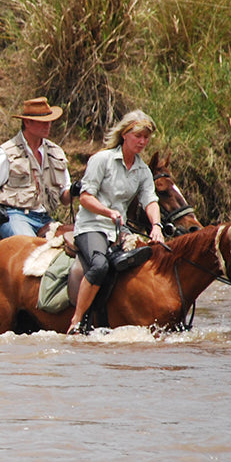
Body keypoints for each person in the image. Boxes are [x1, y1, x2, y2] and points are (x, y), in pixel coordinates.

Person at [67, 110, 166, 333]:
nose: (142, 142)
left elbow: (150, 200)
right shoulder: (102, 160)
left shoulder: (142, 171)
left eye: (146, 138)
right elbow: (84, 197)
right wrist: (108, 212)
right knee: (99, 265)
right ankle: (77, 320)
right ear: (124, 134)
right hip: (92, 226)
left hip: (119, 231)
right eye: (138, 136)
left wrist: (157, 226)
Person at [0, 96, 73, 239]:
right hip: (15, 217)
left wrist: (75, 191)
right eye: (43, 122)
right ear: (27, 122)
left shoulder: (56, 152)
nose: (48, 126)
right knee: (29, 247)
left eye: (49, 122)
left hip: (46, 219)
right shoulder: (6, 152)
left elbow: (65, 198)